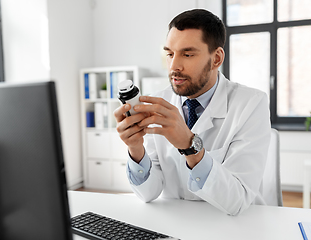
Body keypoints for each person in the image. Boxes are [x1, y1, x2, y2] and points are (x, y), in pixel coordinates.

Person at [113, 9, 271, 216]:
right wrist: (136, 149)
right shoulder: (161, 102)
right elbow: (149, 193)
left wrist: (190, 146)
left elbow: (237, 200)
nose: (174, 66)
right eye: (170, 54)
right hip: (177, 224)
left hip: (233, 227)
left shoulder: (251, 104)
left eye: (187, 54)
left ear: (216, 58)